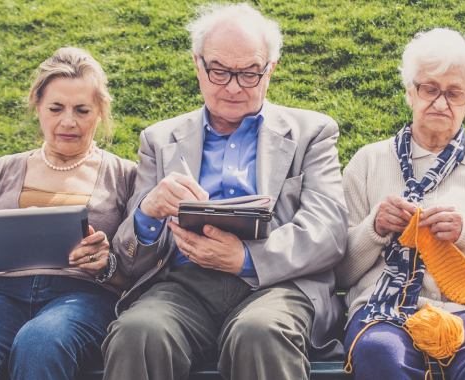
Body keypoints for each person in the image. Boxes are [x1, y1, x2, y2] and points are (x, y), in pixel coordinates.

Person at [99, 3, 347, 380]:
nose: (233, 87)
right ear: (197, 65)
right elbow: (129, 259)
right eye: (218, 71)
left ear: (270, 70)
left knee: (260, 333)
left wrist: (244, 258)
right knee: (138, 333)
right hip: (182, 287)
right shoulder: (159, 140)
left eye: (249, 73)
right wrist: (148, 213)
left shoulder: (311, 133)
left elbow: (327, 231)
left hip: (277, 285)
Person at [0, 47, 137, 380]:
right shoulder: (1, 170)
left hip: (81, 297)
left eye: (82, 110)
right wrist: (4, 245)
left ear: (100, 111)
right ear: (37, 107)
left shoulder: (124, 175)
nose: (68, 121)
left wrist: (106, 264)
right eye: (55, 108)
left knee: (40, 344)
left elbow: (141, 270)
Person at [335, 28, 465, 380]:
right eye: (430, 89)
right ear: (410, 92)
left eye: (454, 93)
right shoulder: (368, 161)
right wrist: (375, 229)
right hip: (385, 307)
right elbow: (338, 270)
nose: (441, 103)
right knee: (380, 351)